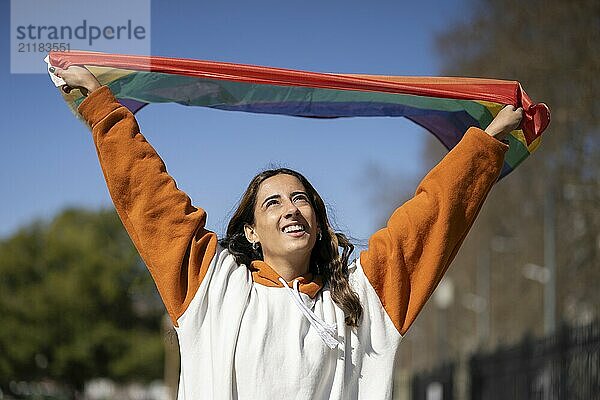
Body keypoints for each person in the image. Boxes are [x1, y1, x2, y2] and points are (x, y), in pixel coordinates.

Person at [51, 65, 522, 400]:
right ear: (252, 231)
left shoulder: (363, 297)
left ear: (317, 225)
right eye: (272, 202)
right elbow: (148, 197)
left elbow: (429, 219)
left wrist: (486, 143)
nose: (291, 209)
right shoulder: (210, 286)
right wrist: (100, 104)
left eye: (301, 199)